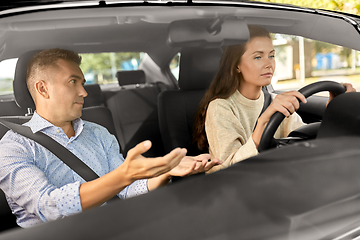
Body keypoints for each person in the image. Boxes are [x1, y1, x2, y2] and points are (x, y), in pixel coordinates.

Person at [0, 48, 221, 228]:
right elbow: (48, 206)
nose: (84, 92)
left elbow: (126, 191)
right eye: (72, 82)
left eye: (83, 83)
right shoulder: (13, 146)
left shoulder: (98, 132)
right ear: (43, 89)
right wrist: (125, 175)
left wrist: (165, 172)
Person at [193, 25, 355, 173]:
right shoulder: (220, 108)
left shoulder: (274, 101)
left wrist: (334, 112)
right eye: (258, 57)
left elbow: (303, 139)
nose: (269, 64)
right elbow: (228, 170)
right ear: (237, 65)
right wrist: (263, 123)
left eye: (271, 55)